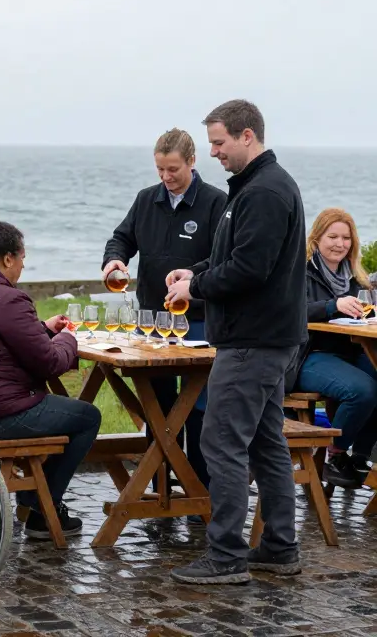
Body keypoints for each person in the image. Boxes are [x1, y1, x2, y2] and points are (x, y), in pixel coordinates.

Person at [165, 99, 307, 584]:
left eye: (219, 143)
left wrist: (195, 289)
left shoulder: (265, 192)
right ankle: (279, 546)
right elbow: (236, 255)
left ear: (248, 136)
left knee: (222, 442)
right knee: (267, 443)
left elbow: (251, 270)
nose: (214, 152)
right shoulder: (253, 187)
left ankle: (225, 555)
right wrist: (197, 270)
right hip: (267, 337)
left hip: (254, 340)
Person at [0, 215, 102, 539]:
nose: (22, 268)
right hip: (2, 414)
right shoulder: (8, 298)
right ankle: (41, 509)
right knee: (87, 416)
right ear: (7, 258)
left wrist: (42, 330)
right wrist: (68, 339)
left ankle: (37, 502)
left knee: (72, 414)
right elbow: (48, 364)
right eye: (22, 259)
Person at [102, 128, 227, 492]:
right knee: (157, 407)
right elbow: (121, 238)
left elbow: (223, 259)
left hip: (200, 322)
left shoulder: (216, 202)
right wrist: (114, 260)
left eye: (173, 169)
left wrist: (194, 277)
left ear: (192, 161)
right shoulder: (146, 200)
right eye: (160, 169)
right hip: (152, 322)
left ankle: (201, 492)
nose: (166, 177)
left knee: (198, 410)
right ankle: (159, 487)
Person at [292, 208, 377, 488]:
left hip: (351, 353)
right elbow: (289, 311)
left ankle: (360, 456)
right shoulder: (297, 272)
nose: (340, 244)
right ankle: (336, 453)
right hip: (309, 356)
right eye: (333, 237)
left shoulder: (356, 278)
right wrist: (332, 305)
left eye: (346, 238)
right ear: (316, 239)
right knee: (363, 390)